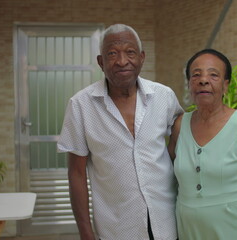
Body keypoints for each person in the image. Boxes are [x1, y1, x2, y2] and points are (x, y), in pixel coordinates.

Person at [57, 24, 183, 240]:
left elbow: (183, 145)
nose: (122, 61)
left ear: (142, 57)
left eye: (130, 52)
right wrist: (85, 232)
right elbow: (76, 174)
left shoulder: (164, 96)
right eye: (112, 54)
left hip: (168, 221)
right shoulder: (81, 105)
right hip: (117, 228)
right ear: (100, 62)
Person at [168, 49, 237, 240]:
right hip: (189, 232)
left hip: (234, 230)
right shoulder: (179, 125)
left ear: (226, 86)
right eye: (196, 75)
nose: (203, 80)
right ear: (190, 84)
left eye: (213, 75)